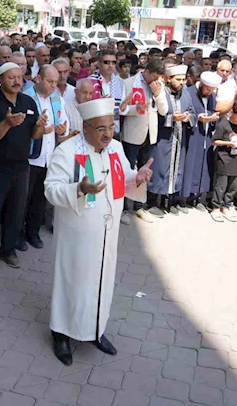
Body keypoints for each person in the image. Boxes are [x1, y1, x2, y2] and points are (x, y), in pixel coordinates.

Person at [44, 98, 153, 365]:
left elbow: (123, 178)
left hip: (107, 232)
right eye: (101, 128)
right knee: (73, 281)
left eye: (111, 127)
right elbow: (51, 190)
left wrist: (137, 178)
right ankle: (61, 333)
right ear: (86, 127)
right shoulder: (67, 151)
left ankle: (95, 330)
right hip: (77, 234)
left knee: (102, 281)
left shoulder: (116, 148)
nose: (108, 134)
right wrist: (80, 189)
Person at [0, 63, 49, 272]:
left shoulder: (27, 101)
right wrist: (6, 124)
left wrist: (40, 125)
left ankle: (8, 250)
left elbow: (34, 135)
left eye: (19, 77)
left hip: (20, 168)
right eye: (11, 77)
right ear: (1, 80)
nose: (16, 81)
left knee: (15, 214)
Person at [21, 65, 70, 250]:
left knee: (39, 199)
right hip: (30, 157)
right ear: (38, 79)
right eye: (50, 81)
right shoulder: (26, 97)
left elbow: (64, 122)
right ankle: (18, 234)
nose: (53, 86)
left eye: (56, 82)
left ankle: (32, 233)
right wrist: (39, 129)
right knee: (22, 199)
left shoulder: (57, 98)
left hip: (49, 156)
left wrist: (61, 129)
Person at [120, 59, 168, 222]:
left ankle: (139, 207)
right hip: (132, 134)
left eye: (158, 78)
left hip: (150, 134)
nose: (156, 80)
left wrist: (158, 94)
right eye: (154, 77)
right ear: (146, 71)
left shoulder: (158, 85)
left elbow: (164, 110)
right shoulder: (129, 83)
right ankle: (125, 208)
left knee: (144, 171)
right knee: (129, 171)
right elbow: (122, 109)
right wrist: (137, 109)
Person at [145, 64, 193, 217]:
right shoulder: (161, 92)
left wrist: (188, 118)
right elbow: (154, 115)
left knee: (176, 170)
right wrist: (172, 118)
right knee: (159, 169)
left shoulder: (185, 93)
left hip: (179, 140)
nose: (182, 82)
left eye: (184, 79)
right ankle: (152, 203)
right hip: (162, 139)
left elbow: (192, 112)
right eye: (178, 79)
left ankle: (170, 202)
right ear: (168, 78)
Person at [181, 71, 221, 210]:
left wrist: (212, 118)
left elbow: (212, 111)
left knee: (203, 166)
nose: (209, 93)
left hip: (206, 135)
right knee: (190, 165)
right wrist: (198, 118)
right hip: (192, 135)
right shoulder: (189, 93)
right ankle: (183, 199)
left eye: (212, 90)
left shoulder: (211, 96)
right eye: (207, 89)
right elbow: (186, 112)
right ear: (201, 85)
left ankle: (196, 199)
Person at [210, 100, 237, 222]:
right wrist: (228, 143)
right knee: (221, 185)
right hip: (224, 159)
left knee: (233, 186)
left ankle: (226, 206)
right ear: (232, 112)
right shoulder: (223, 124)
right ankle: (215, 207)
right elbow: (214, 141)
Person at [89, 49, 124, 131]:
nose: (110, 65)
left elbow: (122, 108)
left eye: (113, 62)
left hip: (114, 126)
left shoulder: (120, 83)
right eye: (106, 62)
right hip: (95, 126)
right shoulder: (89, 81)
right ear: (99, 63)